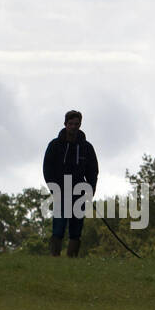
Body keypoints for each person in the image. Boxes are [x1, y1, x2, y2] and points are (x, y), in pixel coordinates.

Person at [42, 109, 98, 257]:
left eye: (77, 124)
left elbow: (93, 171)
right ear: (65, 124)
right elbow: (47, 168)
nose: (74, 126)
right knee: (58, 227)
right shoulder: (55, 145)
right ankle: (54, 256)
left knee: (76, 228)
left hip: (79, 192)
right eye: (71, 123)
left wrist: (91, 190)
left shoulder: (87, 148)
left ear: (80, 125)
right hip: (60, 191)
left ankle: (71, 258)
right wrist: (53, 187)